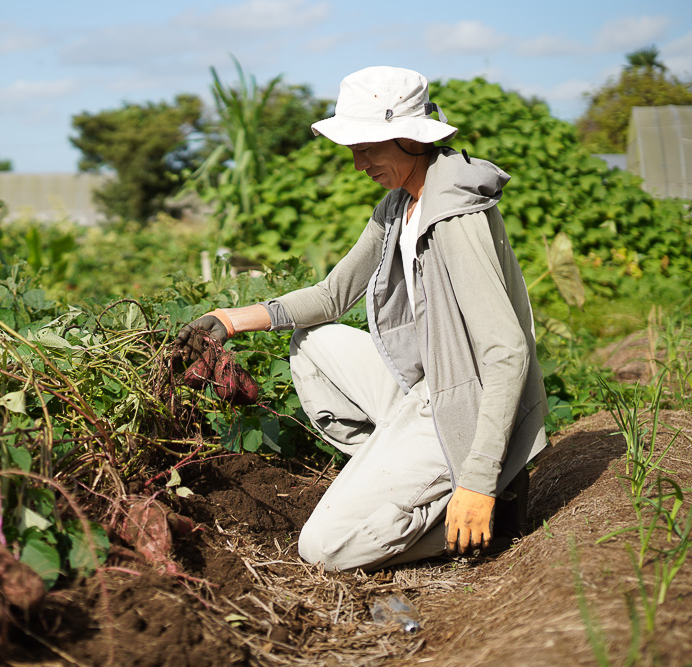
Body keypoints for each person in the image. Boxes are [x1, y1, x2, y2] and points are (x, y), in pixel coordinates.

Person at [174, 66, 548, 571]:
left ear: (407, 138)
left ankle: (475, 517)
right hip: (428, 388)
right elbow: (332, 295)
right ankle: (406, 478)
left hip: (465, 404)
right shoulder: (398, 207)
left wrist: (478, 480)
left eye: (367, 147)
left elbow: (506, 353)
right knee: (312, 344)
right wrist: (229, 319)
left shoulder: (455, 216)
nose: (357, 163)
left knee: (323, 549)